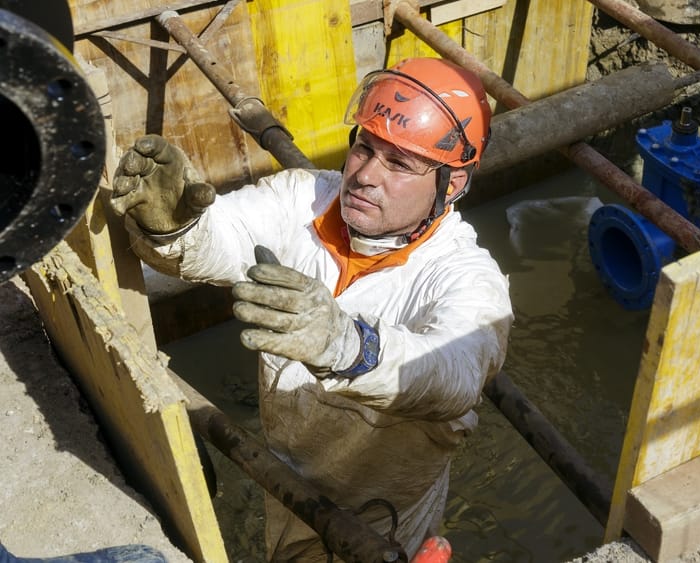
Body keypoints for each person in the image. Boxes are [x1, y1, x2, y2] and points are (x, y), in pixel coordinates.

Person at [109, 57, 513, 561]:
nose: (364, 175)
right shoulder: (304, 199)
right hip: (287, 480)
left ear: (450, 185)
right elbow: (222, 237)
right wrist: (172, 229)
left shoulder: (467, 278)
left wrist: (347, 346)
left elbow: (454, 372)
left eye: (400, 164)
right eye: (365, 147)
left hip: (387, 511)